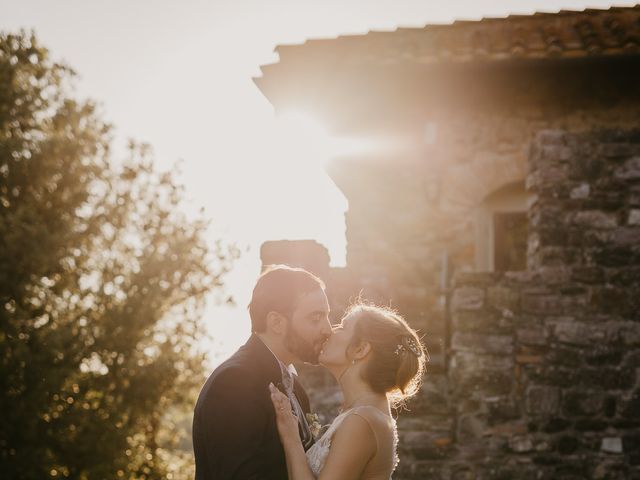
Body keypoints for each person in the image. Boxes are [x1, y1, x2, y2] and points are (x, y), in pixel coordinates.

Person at [192, 265, 333, 480]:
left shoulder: (295, 387)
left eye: (326, 316)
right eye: (315, 318)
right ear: (276, 322)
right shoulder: (234, 383)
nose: (328, 329)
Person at [270, 303, 427, 480]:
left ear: (360, 350)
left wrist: (291, 438)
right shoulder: (366, 412)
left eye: (342, 327)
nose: (329, 331)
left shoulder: (362, 420)